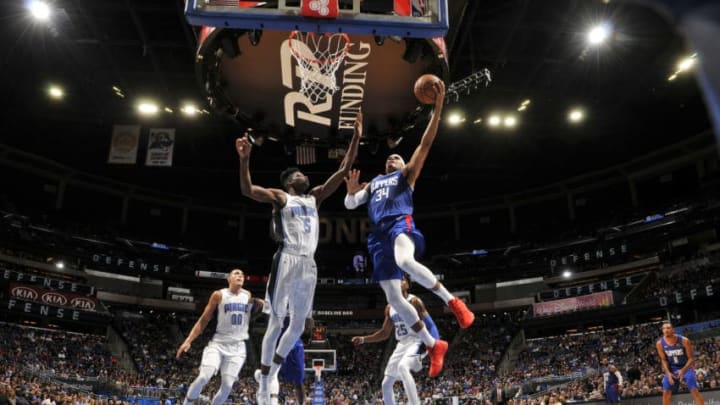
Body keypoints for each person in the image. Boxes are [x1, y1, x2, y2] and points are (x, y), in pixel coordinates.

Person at [343, 80, 474, 377]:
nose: (393, 157)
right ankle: (433, 344)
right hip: (377, 238)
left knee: (405, 261)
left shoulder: (407, 174)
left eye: (398, 156)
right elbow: (351, 205)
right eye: (391, 156)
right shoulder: (374, 182)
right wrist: (351, 191)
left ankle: (453, 302)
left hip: (400, 224)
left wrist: (438, 108)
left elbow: (425, 143)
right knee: (393, 299)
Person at [236, 113, 362, 404]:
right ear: (289, 182)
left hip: (309, 263)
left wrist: (356, 136)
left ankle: (274, 368)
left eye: (302, 175)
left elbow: (343, 170)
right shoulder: (282, 197)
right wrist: (244, 159)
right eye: (297, 175)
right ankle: (265, 380)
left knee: (299, 326)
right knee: (277, 322)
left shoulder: (315, 197)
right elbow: (247, 190)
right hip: (287, 259)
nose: (303, 175)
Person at [176, 269, 263, 405]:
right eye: (236, 273)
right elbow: (204, 319)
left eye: (242, 274)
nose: (240, 275)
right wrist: (188, 340)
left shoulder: (247, 295)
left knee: (228, 385)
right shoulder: (219, 295)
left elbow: (247, 318)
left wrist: (260, 307)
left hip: (238, 347)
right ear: (229, 279)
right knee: (204, 377)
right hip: (218, 343)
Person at [352, 275, 440, 405]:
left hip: (418, 341)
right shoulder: (390, 307)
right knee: (386, 383)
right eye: (396, 280)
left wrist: (435, 346)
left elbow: (431, 325)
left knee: (403, 367)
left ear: (408, 285)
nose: (399, 282)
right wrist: (364, 339)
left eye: (402, 279)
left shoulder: (414, 301)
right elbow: (385, 333)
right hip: (402, 344)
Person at [655, 322, 705, 405]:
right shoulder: (659, 343)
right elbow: (663, 360)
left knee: (694, 390)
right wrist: (668, 373)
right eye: (664, 328)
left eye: (668, 328)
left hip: (686, 367)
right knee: (666, 393)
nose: (666, 330)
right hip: (672, 368)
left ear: (673, 330)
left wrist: (683, 370)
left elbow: (691, 358)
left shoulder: (684, 340)